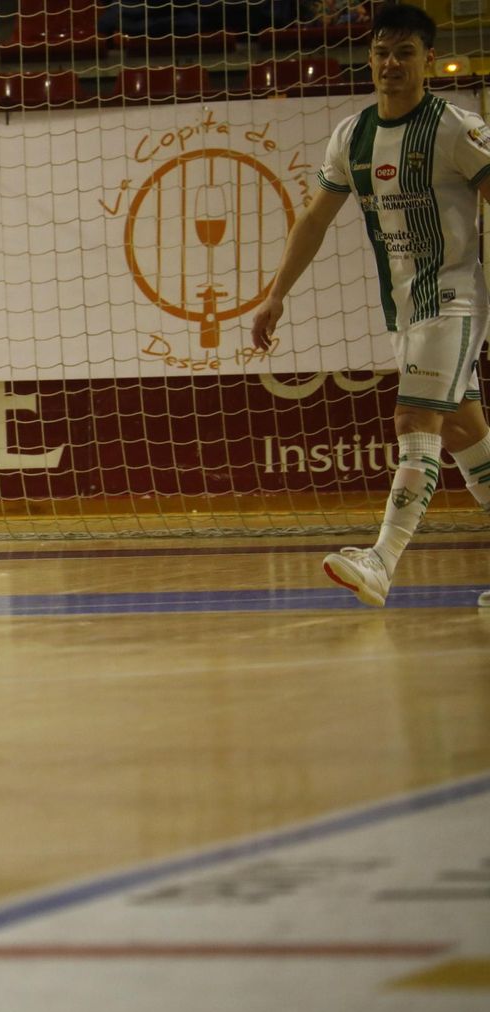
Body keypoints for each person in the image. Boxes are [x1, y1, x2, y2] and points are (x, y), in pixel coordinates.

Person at [251, 3, 490, 607]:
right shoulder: (351, 135)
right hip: (403, 308)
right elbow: (314, 219)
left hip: (454, 297)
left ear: (427, 61)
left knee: (414, 423)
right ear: (369, 58)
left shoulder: (455, 129)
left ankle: (382, 560)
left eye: (405, 53)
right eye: (382, 53)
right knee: (465, 433)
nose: (391, 64)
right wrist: (276, 294)